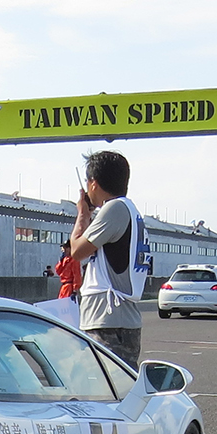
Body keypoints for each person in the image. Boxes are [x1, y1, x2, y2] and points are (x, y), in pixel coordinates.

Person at [67, 150, 147, 369]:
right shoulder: (129, 210)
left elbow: (77, 251)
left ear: (93, 183)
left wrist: (83, 214)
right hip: (121, 316)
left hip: (107, 318)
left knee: (103, 384)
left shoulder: (114, 209)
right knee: (119, 382)